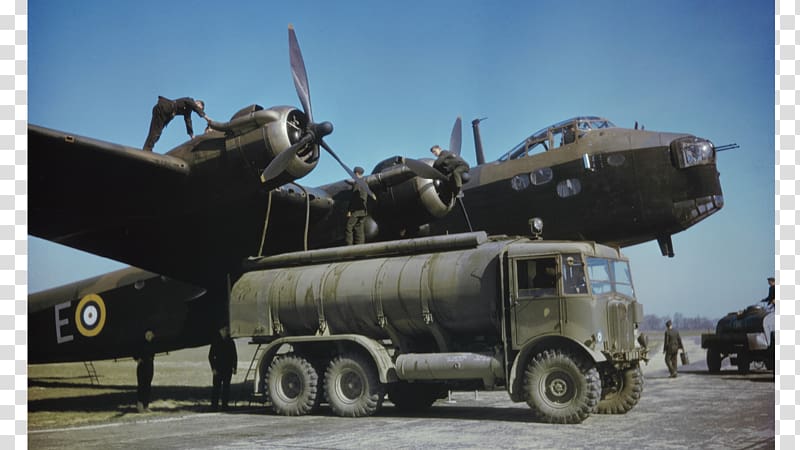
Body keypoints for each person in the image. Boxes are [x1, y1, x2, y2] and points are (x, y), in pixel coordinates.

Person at [143, 96, 210, 151]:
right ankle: (147, 149)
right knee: (156, 131)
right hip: (164, 108)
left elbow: (188, 121)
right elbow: (195, 108)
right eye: (199, 108)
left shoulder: (188, 110)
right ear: (197, 102)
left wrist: (191, 135)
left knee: (157, 133)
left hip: (165, 113)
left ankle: (148, 148)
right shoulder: (189, 100)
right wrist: (207, 119)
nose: (197, 109)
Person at [208, 326, 238, 411]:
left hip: (227, 369)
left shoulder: (231, 342)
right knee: (216, 388)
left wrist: (234, 367)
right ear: (220, 331)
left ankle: (225, 406)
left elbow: (234, 356)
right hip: (218, 369)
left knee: (226, 388)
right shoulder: (215, 341)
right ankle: (214, 406)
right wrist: (213, 368)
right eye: (224, 330)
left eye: (227, 330)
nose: (226, 331)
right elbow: (210, 356)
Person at [133, 329, 155, 413]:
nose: (150, 337)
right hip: (142, 366)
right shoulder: (140, 344)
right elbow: (135, 352)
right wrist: (137, 359)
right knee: (141, 385)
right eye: (148, 335)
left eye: (151, 335)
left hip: (149, 366)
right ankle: (140, 404)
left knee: (148, 385)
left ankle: (146, 405)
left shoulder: (152, 344)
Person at [345, 166, 368, 245]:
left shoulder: (357, 183)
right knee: (359, 229)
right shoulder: (364, 183)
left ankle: (349, 247)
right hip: (363, 211)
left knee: (349, 227)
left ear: (356, 173)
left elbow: (355, 198)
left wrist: (350, 210)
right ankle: (360, 248)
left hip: (356, 210)